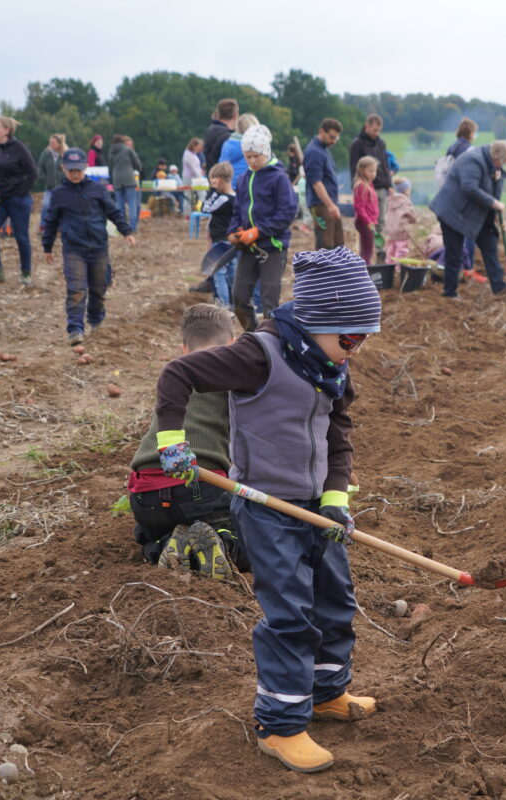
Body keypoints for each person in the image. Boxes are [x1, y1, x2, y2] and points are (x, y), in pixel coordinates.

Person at [153, 247, 381, 772]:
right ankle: (280, 725)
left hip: (316, 508)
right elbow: (176, 374)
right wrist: (171, 442)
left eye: (364, 339)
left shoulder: (331, 365)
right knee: (290, 615)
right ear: (317, 322)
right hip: (267, 507)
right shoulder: (258, 355)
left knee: (335, 601)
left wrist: (335, 499)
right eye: (351, 338)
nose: (356, 348)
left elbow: (338, 435)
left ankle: (326, 693)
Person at [129, 303, 241, 576]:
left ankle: (163, 544)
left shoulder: (174, 376)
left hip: (145, 492)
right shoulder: (235, 378)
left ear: (184, 348)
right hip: (201, 486)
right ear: (233, 343)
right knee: (250, 535)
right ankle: (224, 543)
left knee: (147, 533)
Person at [41, 148, 136, 345]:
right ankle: (75, 328)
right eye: (71, 170)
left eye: (78, 170)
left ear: (85, 167)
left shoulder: (98, 189)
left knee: (99, 288)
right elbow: (50, 222)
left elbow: (113, 212)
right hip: (73, 249)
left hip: (99, 247)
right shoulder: (58, 194)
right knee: (76, 289)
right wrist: (47, 247)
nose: (75, 174)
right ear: (63, 168)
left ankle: (96, 320)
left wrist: (126, 231)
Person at [228, 124, 297, 332]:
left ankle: (271, 340)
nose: (252, 161)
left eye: (256, 156)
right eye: (247, 157)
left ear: (266, 152)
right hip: (248, 247)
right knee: (239, 296)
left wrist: (259, 231)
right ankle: (253, 335)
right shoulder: (243, 179)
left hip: (272, 247)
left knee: (269, 300)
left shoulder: (279, 178)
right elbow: (237, 211)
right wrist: (233, 231)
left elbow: (287, 212)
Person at [428, 140, 506, 298]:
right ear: (495, 156)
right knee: (454, 253)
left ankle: (499, 287)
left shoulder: (494, 168)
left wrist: (499, 218)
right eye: (501, 162)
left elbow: (494, 195)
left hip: (475, 214)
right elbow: (469, 187)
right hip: (452, 212)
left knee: (490, 245)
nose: (502, 166)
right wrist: (494, 203)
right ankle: (450, 292)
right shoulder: (472, 160)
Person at [0, 116, 37, 286]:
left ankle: (26, 272)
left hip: (17, 200)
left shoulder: (18, 148)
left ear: (7, 130)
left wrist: (21, 192)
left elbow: (33, 172)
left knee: (21, 237)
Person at [434, 117, 479, 277]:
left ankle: (456, 266)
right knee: (469, 231)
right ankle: (468, 266)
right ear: (471, 133)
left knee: (454, 235)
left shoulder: (451, 148)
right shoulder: (470, 150)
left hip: (450, 195)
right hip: (464, 195)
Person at [348, 115, 392, 259]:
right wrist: (356, 186)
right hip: (366, 188)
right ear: (367, 126)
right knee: (367, 232)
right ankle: (366, 259)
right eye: (374, 130)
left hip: (380, 187)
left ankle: (380, 252)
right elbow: (354, 167)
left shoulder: (380, 143)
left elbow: (385, 165)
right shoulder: (357, 144)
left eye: (379, 130)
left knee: (380, 220)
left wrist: (389, 184)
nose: (376, 133)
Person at [304, 118, 344, 250]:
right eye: (332, 137)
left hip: (330, 203)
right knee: (326, 245)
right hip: (321, 204)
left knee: (338, 244)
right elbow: (316, 183)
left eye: (336, 138)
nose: (334, 141)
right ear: (321, 131)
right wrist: (330, 205)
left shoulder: (324, 149)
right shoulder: (314, 152)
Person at [202, 162, 237, 307]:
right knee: (232, 272)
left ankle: (224, 305)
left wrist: (212, 190)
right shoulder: (236, 196)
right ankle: (234, 304)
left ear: (219, 180)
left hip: (221, 240)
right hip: (233, 240)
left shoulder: (224, 198)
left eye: (213, 181)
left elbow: (206, 207)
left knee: (219, 272)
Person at [107, 134, 143, 231]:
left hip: (117, 179)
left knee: (120, 204)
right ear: (122, 141)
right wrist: (136, 168)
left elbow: (110, 165)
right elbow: (137, 163)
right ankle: (132, 227)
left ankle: (122, 227)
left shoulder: (111, 151)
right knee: (132, 203)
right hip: (129, 178)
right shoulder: (128, 150)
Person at [352, 156, 380, 265]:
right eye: (370, 171)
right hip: (365, 223)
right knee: (368, 250)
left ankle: (363, 268)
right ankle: (366, 268)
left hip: (369, 222)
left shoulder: (369, 184)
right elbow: (359, 207)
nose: (373, 174)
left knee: (365, 249)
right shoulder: (361, 186)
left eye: (375, 171)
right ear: (361, 170)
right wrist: (368, 222)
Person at [220, 113, 258, 190]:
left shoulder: (227, 144)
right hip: (248, 187)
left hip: (229, 188)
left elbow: (221, 168)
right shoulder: (255, 146)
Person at [383, 177, 417, 261]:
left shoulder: (391, 200)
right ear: (406, 190)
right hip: (401, 230)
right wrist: (413, 220)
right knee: (402, 249)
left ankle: (389, 264)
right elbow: (412, 216)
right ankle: (399, 265)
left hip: (390, 229)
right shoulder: (406, 201)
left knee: (391, 248)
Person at [37, 134, 67, 227]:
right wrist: (44, 179)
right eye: (50, 142)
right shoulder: (45, 154)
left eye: (53, 143)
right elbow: (40, 167)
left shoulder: (65, 155)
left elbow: (68, 169)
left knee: (63, 207)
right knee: (46, 205)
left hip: (62, 188)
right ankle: (43, 225)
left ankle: (62, 225)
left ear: (59, 144)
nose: (50, 144)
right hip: (50, 188)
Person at [204, 98, 238, 171]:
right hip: (223, 175)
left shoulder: (210, 131)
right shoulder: (228, 137)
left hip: (212, 175)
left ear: (218, 114)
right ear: (235, 115)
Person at [182, 137, 205, 210]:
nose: (200, 148)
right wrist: (202, 178)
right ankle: (188, 213)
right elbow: (194, 169)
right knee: (188, 196)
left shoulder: (194, 154)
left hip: (196, 178)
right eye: (199, 146)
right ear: (194, 146)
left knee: (202, 194)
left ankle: (199, 208)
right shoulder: (188, 154)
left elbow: (197, 168)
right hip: (189, 178)